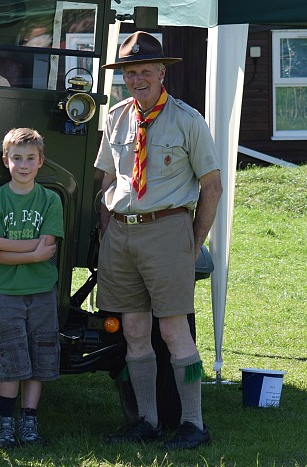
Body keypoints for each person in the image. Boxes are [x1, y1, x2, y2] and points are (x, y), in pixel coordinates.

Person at [95, 31, 223, 450]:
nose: (137, 80)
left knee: (173, 331)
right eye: (130, 73)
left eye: (145, 71)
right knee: (133, 329)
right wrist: (106, 228)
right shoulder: (115, 117)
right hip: (122, 232)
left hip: (168, 231)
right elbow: (108, 179)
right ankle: (146, 421)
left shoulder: (188, 119)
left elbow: (212, 186)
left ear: (161, 72)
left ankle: (193, 424)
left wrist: (192, 241)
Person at [0, 128, 64, 447]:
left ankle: (29, 422)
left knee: (39, 360)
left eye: (30, 158)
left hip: (42, 293)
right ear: (6, 161)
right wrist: (34, 253)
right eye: (17, 158)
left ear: (41, 161)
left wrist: (3, 243)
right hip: (5, 294)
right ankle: (3, 424)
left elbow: (49, 244)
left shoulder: (51, 200)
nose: (24, 165)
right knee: (12, 361)